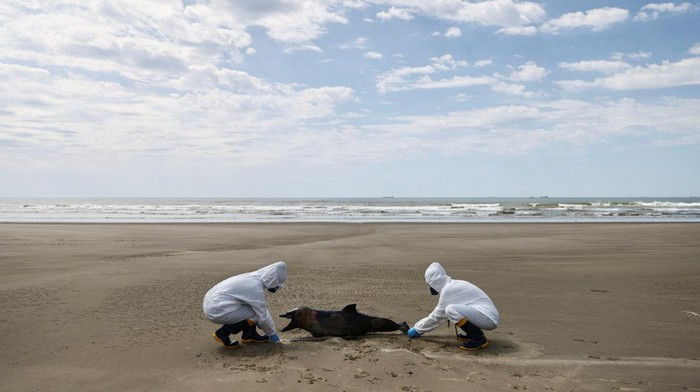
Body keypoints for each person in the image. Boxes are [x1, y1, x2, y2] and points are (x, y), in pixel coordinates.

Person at [407, 262, 499, 350]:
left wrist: (417, 329)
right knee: (453, 310)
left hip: (488, 318)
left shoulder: (448, 290)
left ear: (434, 282)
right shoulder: (452, 284)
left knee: (450, 310)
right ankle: (472, 334)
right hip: (485, 315)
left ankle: (478, 338)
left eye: (429, 284)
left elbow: (437, 316)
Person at [202, 261, 287, 349]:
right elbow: (263, 315)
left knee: (252, 308)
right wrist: (272, 335)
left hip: (212, 302)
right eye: (277, 284)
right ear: (272, 279)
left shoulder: (253, 277)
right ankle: (222, 333)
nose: (276, 288)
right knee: (256, 314)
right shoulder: (255, 287)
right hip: (215, 309)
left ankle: (249, 335)